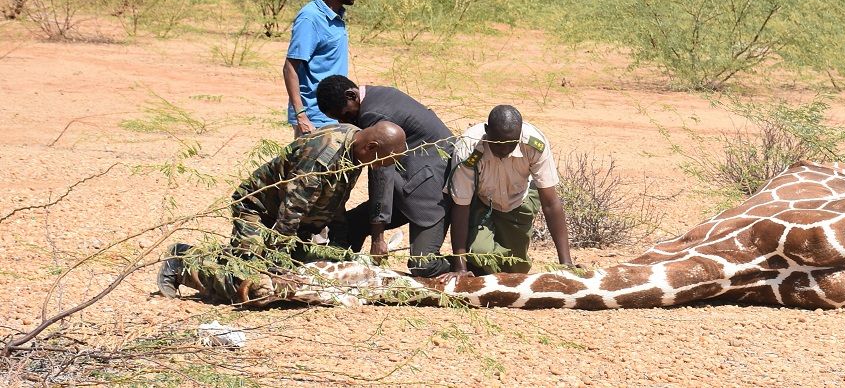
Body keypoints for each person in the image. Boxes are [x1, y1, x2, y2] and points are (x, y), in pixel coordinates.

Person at [157, 122, 406, 303]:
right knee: (251, 284)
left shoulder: (355, 144)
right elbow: (290, 213)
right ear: (371, 147)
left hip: (298, 225)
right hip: (260, 212)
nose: (387, 166)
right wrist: (276, 267)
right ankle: (184, 262)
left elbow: (336, 201)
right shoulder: (322, 158)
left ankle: (236, 255)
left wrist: (338, 248)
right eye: (385, 160)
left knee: (309, 271)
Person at [317, 75, 457, 277]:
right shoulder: (376, 97)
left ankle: (468, 266)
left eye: (345, 115)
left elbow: (380, 175)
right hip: (410, 182)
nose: (345, 122)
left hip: (431, 190)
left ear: (352, 95)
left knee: (423, 265)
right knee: (350, 226)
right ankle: (345, 273)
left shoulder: (373, 114)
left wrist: (378, 237)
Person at [437, 105, 577, 280]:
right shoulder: (468, 148)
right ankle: (469, 260)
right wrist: (460, 267)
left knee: (515, 270)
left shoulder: (534, 143)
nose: (504, 150)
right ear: (486, 130)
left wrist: (566, 263)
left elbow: (550, 203)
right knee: (481, 255)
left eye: (511, 144)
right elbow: (461, 207)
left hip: (519, 200)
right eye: (498, 143)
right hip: (481, 202)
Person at [283, 0, 361, 137]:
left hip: (335, 115)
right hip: (315, 119)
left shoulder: (336, 15)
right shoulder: (310, 18)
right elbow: (290, 68)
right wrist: (301, 117)